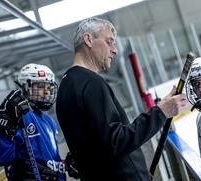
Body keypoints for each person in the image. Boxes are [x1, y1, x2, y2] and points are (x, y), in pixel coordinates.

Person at [56, 17, 187, 181]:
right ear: (88, 39)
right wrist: (160, 112)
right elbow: (115, 142)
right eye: (109, 42)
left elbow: (95, 145)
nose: (114, 50)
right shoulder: (91, 83)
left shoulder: (66, 86)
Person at [0, 63, 67, 180]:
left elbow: (50, 160)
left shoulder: (48, 120)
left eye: (49, 88)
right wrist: (5, 124)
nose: (46, 92)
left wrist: (65, 164)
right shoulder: (19, 116)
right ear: (26, 87)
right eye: (40, 87)